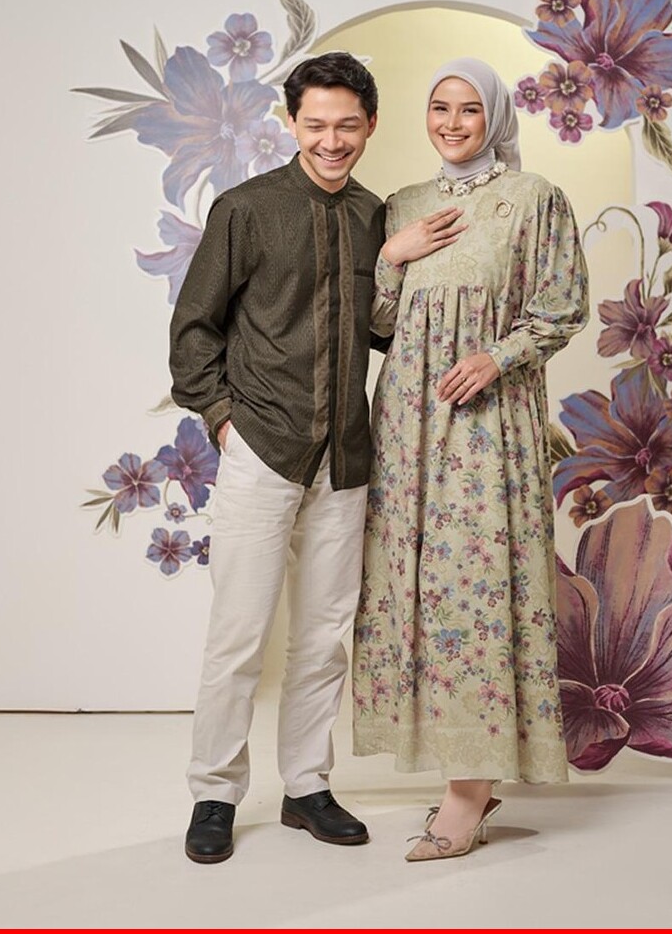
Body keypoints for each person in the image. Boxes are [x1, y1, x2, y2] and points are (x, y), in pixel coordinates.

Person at [169, 52, 464, 864]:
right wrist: (223, 419)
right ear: (291, 123)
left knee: (324, 637)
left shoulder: (374, 216)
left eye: (347, 125)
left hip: (345, 459)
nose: (332, 140)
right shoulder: (246, 209)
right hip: (262, 449)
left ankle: (306, 786)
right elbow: (193, 330)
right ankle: (214, 793)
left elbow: (378, 331)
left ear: (370, 126)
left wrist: (396, 260)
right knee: (239, 636)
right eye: (316, 124)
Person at [351, 58, 590, 861]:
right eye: (439, 108)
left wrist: (496, 358)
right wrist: (392, 255)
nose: (452, 124)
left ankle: (468, 793)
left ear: (494, 117)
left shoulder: (533, 199)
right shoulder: (402, 205)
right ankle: (459, 774)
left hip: (487, 426)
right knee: (417, 592)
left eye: (469, 110)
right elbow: (378, 324)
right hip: (407, 430)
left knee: (476, 591)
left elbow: (562, 306)